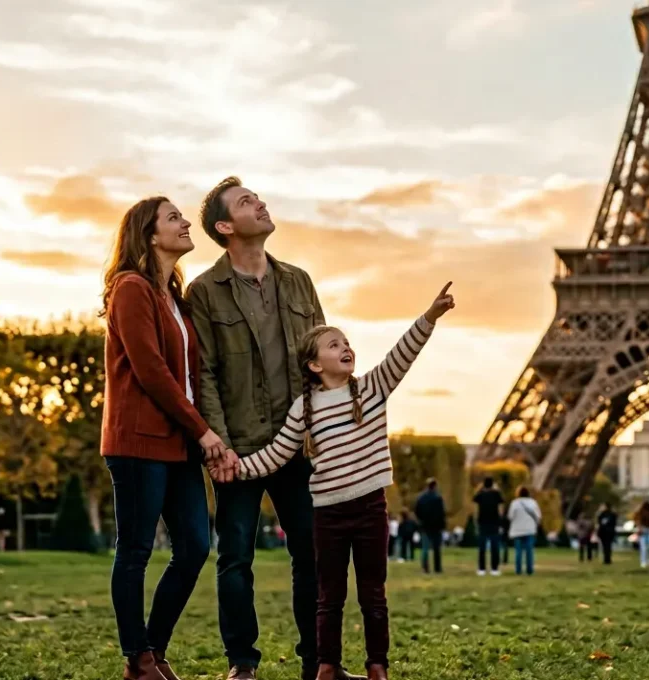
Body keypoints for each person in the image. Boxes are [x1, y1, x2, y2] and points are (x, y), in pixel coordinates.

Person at [216, 282, 455, 680]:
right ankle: (327, 666)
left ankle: (377, 666)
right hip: (327, 513)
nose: (345, 347)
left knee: (373, 594)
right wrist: (235, 467)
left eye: (345, 342)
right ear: (314, 365)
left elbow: (403, 353)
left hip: (370, 508)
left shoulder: (372, 389)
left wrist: (429, 317)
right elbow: (276, 455)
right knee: (329, 597)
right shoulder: (303, 411)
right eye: (333, 344)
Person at [187, 178, 336, 680]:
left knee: (312, 554)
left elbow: (323, 360)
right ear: (226, 227)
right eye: (247, 202)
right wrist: (218, 446)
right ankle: (242, 663)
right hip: (240, 448)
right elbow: (203, 372)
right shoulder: (205, 291)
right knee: (235, 558)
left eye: (258, 197)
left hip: (300, 444)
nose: (261, 202)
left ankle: (316, 661)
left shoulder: (299, 281)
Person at [101, 196, 227, 680]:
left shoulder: (172, 297)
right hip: (137, 441)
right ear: (150, 235)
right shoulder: (130, 288)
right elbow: (151, 370)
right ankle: (139, 659)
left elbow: (188, 377)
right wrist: (204, 431)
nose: (184, 222)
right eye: (173, 217)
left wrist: (198, 434)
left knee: (195, 545)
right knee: (134, 550)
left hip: (176, 443)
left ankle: (153, 649)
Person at [506, 487, 542, 575]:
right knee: (529, 551)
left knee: (518, 551)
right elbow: (538, 516)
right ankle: (529, 570)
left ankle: (518, 570)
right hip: (529, 529)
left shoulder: (514, 503)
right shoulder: (533, 502)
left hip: (517, 530)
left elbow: (510, 516)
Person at [414, 479, 447, 574]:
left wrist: (421, 521)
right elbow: (441, 513)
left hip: (425, 526)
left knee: (425, 548)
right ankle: (437, 568)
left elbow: (417, 511)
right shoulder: (438, 498)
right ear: (435, 486)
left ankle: (425, 568)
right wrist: (442, 525)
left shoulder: (421, 498)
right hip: (436, 526)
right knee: (437, 548)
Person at [473, 477, 505, 576]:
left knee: (482, 548)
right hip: (494, 523)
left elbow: (475, 510)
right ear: (492, 484)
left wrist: (475, 523)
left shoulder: (479, 495)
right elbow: (501, 510)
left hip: (482, 523)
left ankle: (481, 569)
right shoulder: (497, 494)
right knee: (495, 548)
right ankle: (494, 569)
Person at [633, 501, 649, 568]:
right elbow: (636, 519)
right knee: (644, 547)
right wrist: (639, 527)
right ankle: (644, 562)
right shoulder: (641, 512)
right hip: (644, 530)